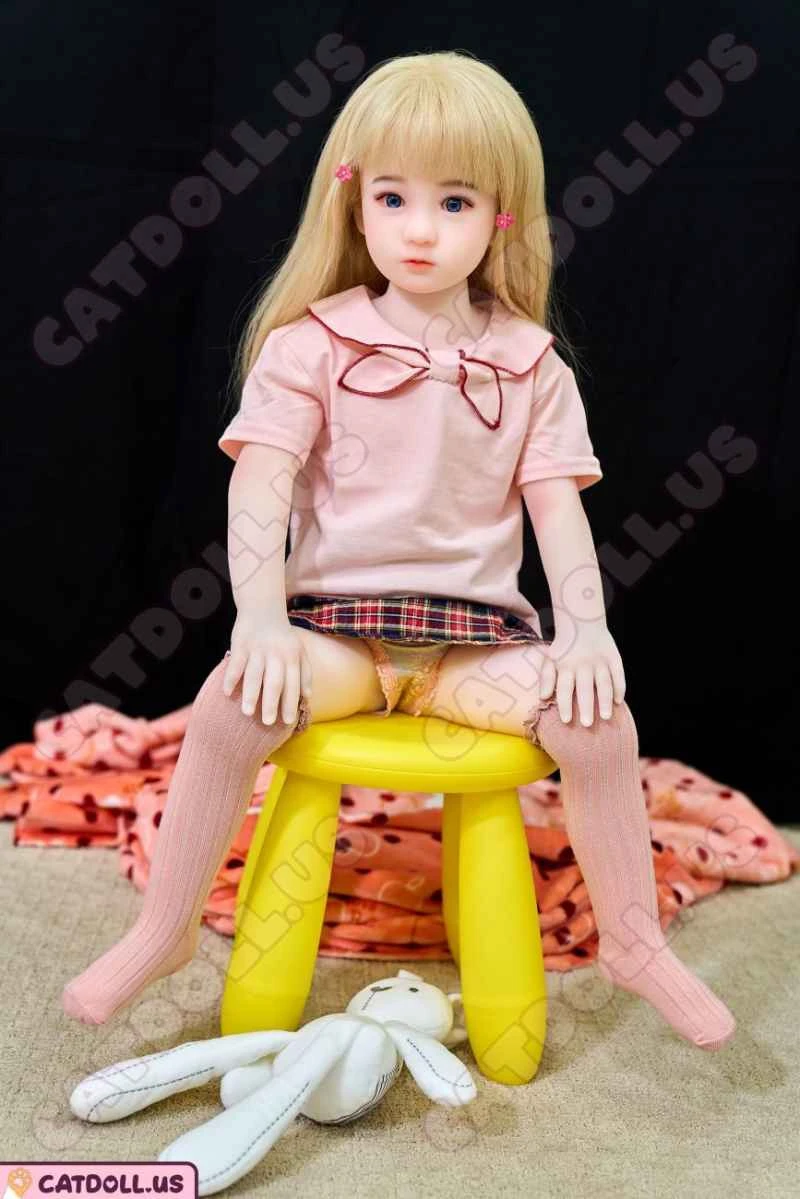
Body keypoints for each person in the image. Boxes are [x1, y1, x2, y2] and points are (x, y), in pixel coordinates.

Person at [62, 50, 735, 1050]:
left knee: (597, 722)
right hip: (338, 636)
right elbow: (259, 486)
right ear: (354, 202)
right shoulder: (311, 343)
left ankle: (633, 941)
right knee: (228, 702)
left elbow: (556, 511)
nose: (421, 229)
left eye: (454, 201)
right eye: (394, 197)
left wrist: (586, 629)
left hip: (473, 648)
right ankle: (163, 929)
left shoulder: (529, 364)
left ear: (500, 216)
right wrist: (257, 620)